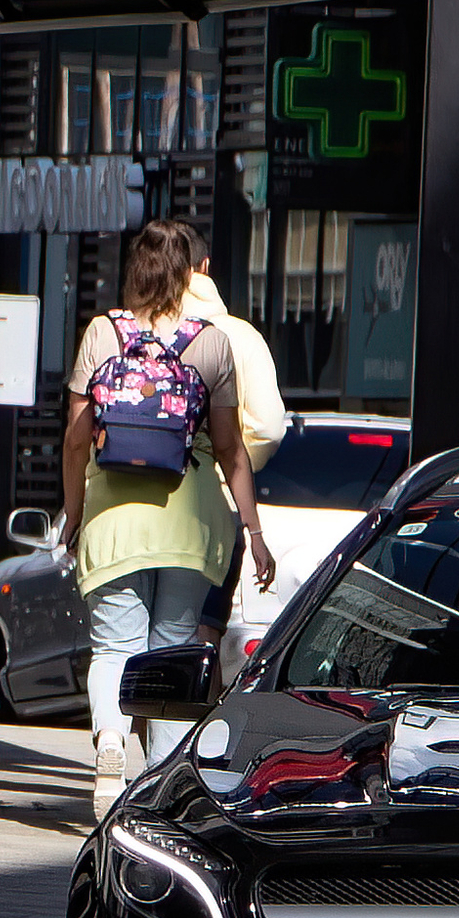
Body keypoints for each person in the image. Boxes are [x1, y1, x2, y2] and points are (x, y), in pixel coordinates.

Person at [62, 220, 277, 821]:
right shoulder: (212, 343)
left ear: (133, 272)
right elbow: (233, 450)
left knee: (113, 650)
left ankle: (109, 746)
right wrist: (254, 534)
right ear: (187, 275)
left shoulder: (102, 334)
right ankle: (156, 791)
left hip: (113, 518)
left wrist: (75, 515)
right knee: (172, 654)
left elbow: (76, 442)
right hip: (190, 521)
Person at [184, 259, 286, 647]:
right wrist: (236, 471)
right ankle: (196, 709)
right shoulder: (241, 337)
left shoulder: (136, 329)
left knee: (132, 643)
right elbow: (266, 427)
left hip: (137, 505)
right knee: (202, 640)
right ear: (206, 265)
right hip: (218, 509)